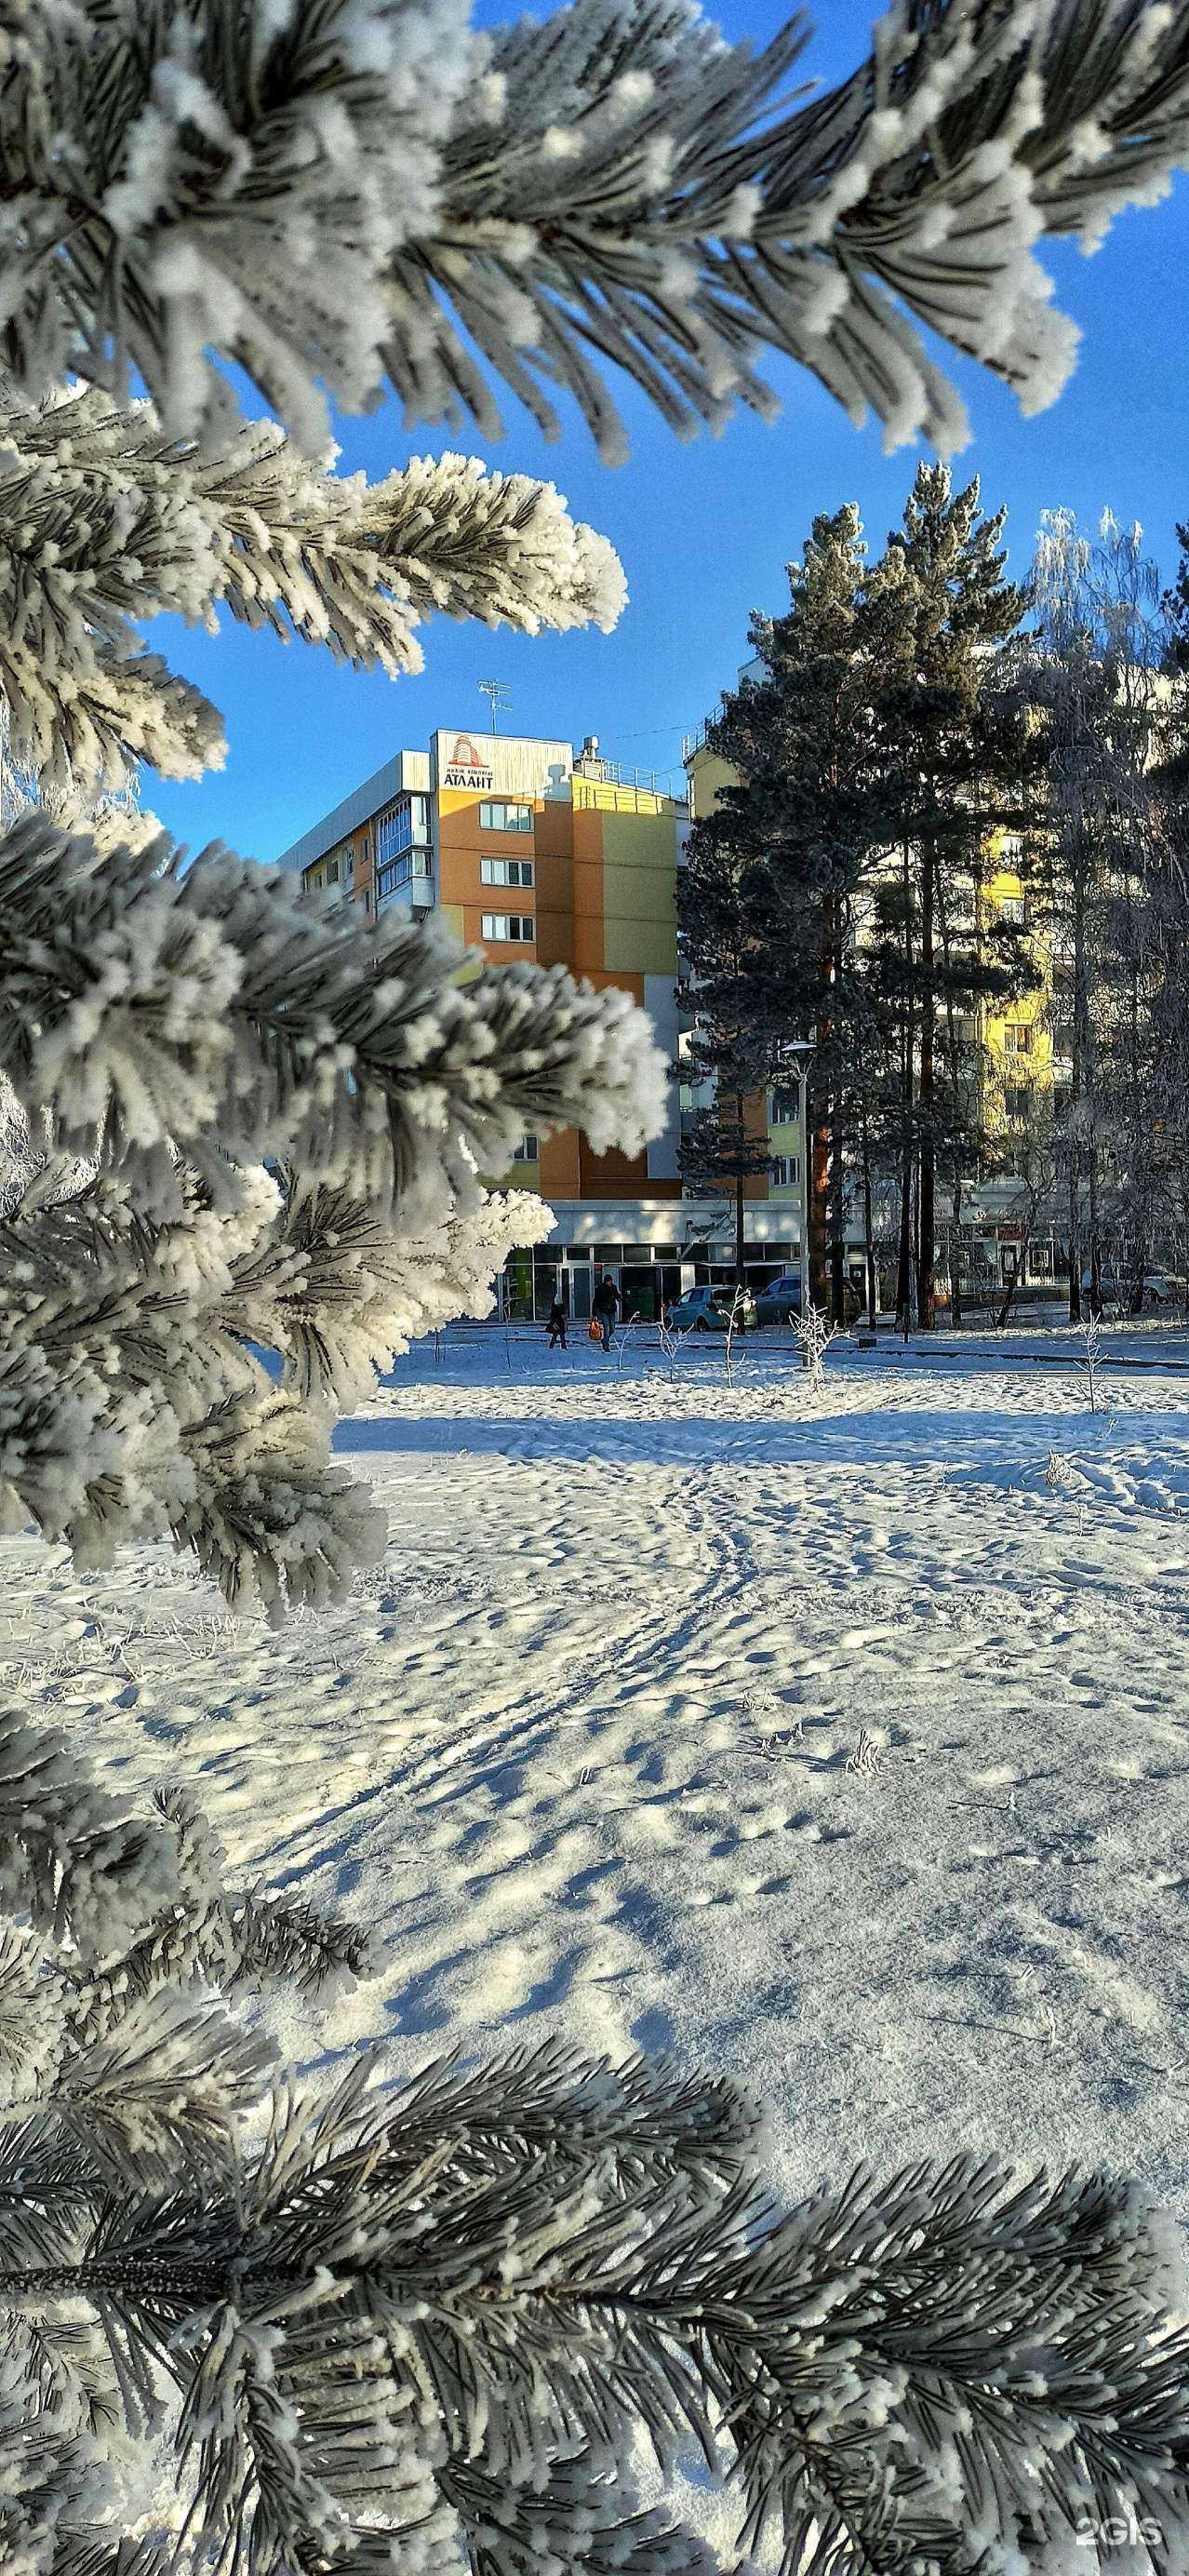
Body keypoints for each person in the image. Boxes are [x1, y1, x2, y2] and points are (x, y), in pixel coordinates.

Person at [593, 1272, 621, 1351]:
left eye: (610, 1281)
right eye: (608, 1281)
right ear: (605, 1281)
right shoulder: (600, 1289)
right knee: (607, 1328)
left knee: (612, 1328)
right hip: (603, 1310)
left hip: (611, 1310)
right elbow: (596, 1301)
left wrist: (619, 1297)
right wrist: (594, 1313)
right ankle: (606, 1345)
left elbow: (617, 1295)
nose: (609, 1283)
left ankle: (604, 1340)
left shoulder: (613, 1287)